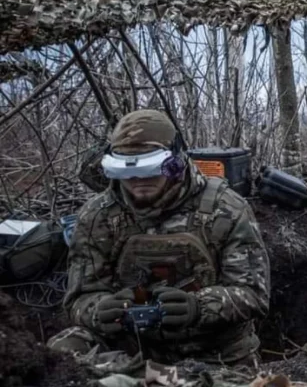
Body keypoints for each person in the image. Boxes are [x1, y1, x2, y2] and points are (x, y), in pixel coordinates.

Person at [47, 109, 271, 365]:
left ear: (175, 162)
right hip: (130, 348)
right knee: (63, 350)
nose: (138, 181)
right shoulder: (98, 217)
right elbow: (78, 299)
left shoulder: (227, 209)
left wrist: (199, 307)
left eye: (149, 170)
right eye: (127, 173)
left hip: (215, 352)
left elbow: (254, 294)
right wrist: (101, 310)